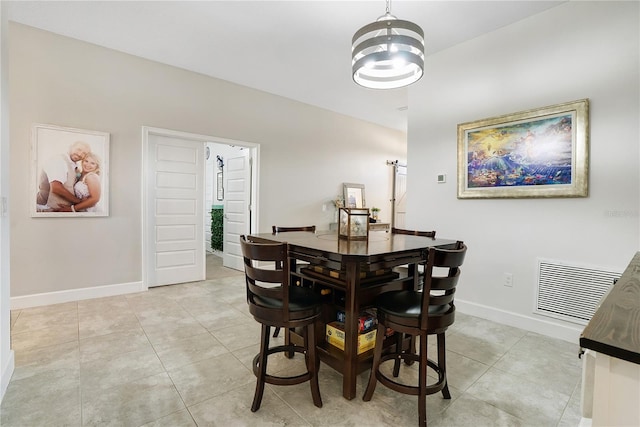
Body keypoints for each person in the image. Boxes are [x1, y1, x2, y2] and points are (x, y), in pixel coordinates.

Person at [36, 140, 91, 212]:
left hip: (63, 210)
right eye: (79, 149)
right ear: (71, 146)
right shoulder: (58, 160)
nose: (80, 154)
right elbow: (56, 188)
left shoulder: (75, 167)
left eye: (84, 153)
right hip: (47, 208)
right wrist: (79, 202)